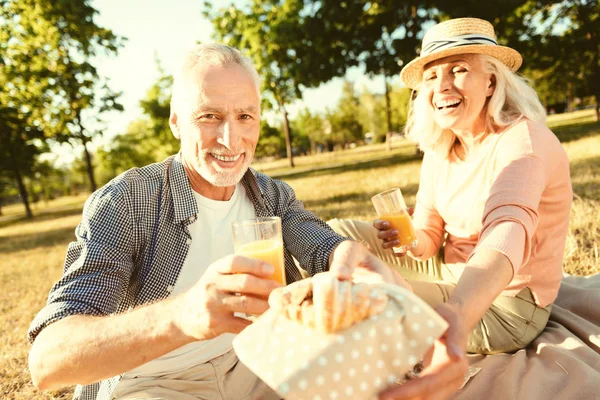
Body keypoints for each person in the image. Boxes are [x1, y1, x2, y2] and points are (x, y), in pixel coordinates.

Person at [27, 43, 407, 400]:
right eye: (209, 117)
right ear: (176, 122)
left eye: (245, 116)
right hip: (156, 383)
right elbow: (48, 361)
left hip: (260, 362)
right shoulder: (127, 201)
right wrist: (182, 316)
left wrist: (348, 260)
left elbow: (320, 244)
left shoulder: (272, 196)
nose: (230, 139)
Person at [327, 17, 572, 400]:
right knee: (336, 236)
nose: (442, 85)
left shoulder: (522, 145)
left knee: (373, 300)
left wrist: (457, 315)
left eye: (459, 70)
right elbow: (428, 238)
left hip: (503, 304)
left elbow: (507, 229)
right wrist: (407, 240)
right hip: (450, 270)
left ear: (491, 82)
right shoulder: (442, 149)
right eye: (431, 76)